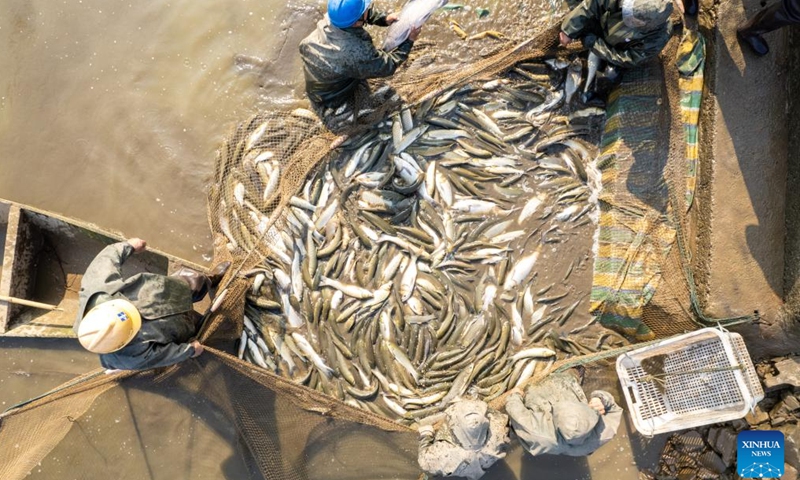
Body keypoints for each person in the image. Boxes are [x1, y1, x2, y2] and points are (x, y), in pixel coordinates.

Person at [73, 238, 230, 370]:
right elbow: (164, 355)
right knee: (203, 325)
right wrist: (189, 351)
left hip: (162, 291)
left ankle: (211, 279)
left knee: (192, 283)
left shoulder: (97, 289)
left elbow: (105, 259)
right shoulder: (128, 358)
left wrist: (129, 245)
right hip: (175, 327)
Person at [298, 0, 421, 129]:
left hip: (319, 81)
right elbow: (387, 66)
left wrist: (383, 19)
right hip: (333, 97)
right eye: (365, 9)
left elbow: (358, 16)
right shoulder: (355, 52)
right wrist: (409, 41)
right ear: (357, 21)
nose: (368, 8)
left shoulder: (331, 18)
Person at [559, 0, 674, 102]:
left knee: (609, 76)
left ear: (648, 25)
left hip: (615, 48)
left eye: (633, 20)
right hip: (604, 24)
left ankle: (594, 95)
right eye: (627, 12)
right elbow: (593, 3)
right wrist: (568, 29)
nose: (626, 17)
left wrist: (595, 44)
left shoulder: (658, 38)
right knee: (579, 13)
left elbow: (626, 59)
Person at [504, 372, 623, 457]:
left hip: (538, 401)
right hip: (578, 448)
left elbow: (516, 412)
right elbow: (615, 410)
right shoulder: (602, 433)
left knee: (518, 426)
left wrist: (515, 396)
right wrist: (601, 399)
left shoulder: (539, 433)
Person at [417, 398, 509, 480]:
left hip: (457, 467)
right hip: (488, 462)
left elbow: (424, 462)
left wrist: (426, 435)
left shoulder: (443, 453)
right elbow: (498, 417)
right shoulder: (498, 431)